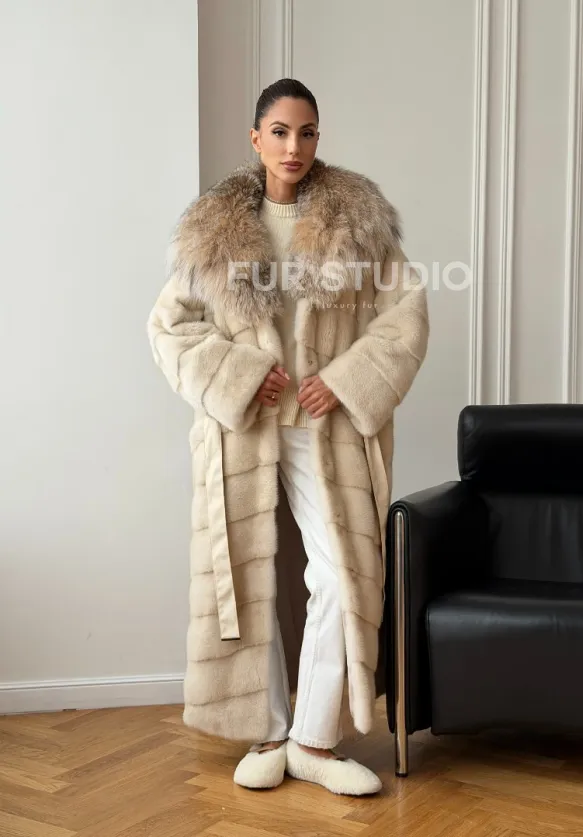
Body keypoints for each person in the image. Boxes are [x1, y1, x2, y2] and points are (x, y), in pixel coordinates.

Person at [147, 78, 429, 796]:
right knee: (253, 577)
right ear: (255, 138)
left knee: (338, 574)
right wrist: (240, 374)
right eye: (278, 132)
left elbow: (405, 316)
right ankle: (268, 730)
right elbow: (169, 328)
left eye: (306, 132)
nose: (293, 146)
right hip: (242, 430)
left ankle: (313, 738)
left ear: (318, 137)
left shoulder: (356, 221)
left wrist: (344, 379)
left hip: (321, 428)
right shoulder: (213, 229)